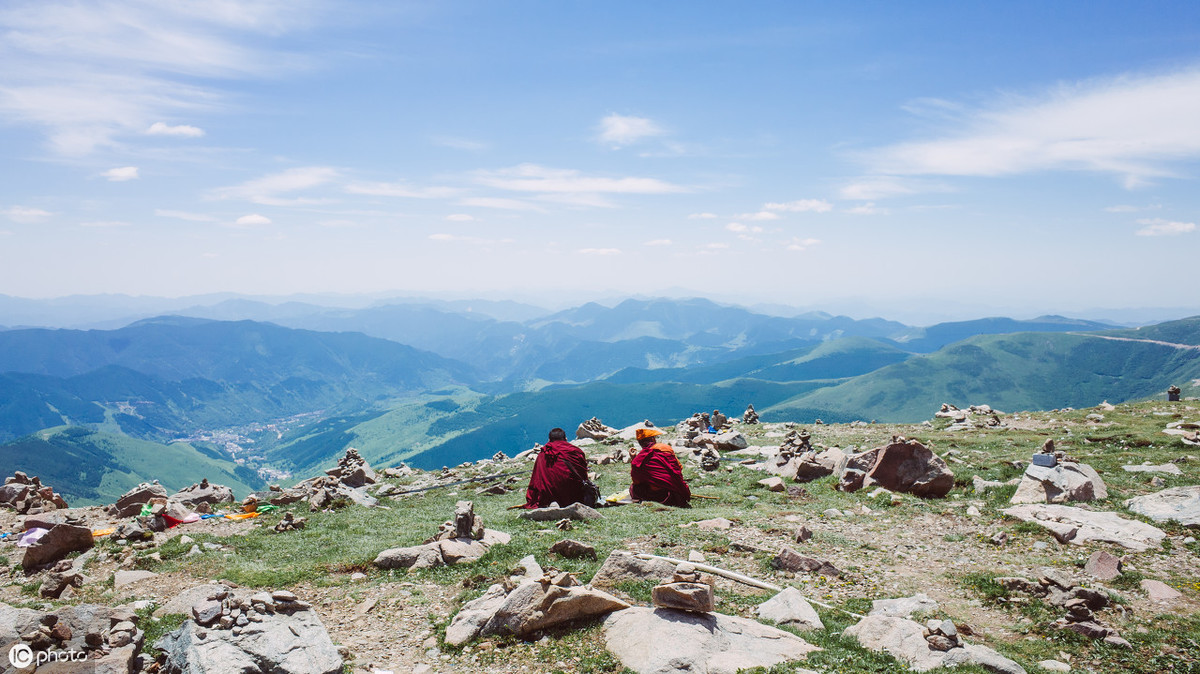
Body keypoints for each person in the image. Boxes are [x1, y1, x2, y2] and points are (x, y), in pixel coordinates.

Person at [522, 427, 589, 509]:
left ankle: (553, 502)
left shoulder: (543, 453)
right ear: (565, 439)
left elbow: (536, 479)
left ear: (549, 440)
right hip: (571, 495)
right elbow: (583, 475)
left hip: (546, 497)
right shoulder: (575, 451)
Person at [629, 427, 691, 507]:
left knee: (633, 488)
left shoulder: (638, 460)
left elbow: (637, 481)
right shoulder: (664, 448)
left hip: (653, 496)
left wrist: (634, 459)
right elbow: (678, 468)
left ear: (640, 443)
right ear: (653, 439)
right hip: (674, 496)